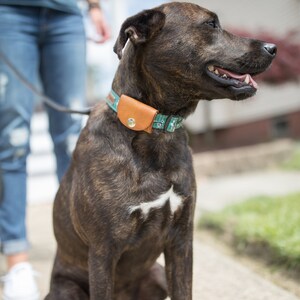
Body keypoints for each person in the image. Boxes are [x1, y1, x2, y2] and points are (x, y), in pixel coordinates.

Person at [0, 0, 110, 299]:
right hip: (9, 12)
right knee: (13, 140)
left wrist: (95, 5)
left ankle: (79, 255)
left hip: (66, 14)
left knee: (72, 139)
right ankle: (17, 262)